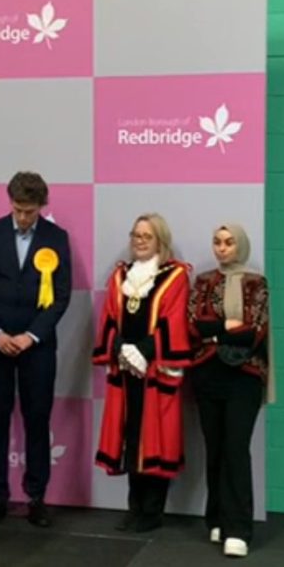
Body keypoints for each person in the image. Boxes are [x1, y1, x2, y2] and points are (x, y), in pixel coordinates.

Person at [0, 172, 72, 528]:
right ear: (9, 201)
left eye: (30, 211)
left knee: (37, 420)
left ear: (42, 207)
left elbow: (60, 297)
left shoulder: (56, 238)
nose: (24, 217)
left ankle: (36, 497)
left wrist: (32, 335)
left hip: (37, 347)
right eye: (18, 209)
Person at [92, 213, 191, 533]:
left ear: (160, 240)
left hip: (156, 373)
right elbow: (109, 317)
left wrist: (144, 351)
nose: (139, 241)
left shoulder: (175, 276)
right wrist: (122, 348)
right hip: (125, 372)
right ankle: (134, 508)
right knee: (130, 437)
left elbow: (173, 320)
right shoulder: (121, 275)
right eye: (135, 235)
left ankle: (152, 511)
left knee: (156, 439)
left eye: (146, 236)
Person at [188, 224, 273, 558]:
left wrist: (214, 332)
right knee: (215, 447)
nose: (222, 248)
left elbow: (253, 332)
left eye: (229, 242)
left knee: (236, 448)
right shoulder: (204, 281)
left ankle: (239, 528)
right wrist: (224, 328)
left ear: (241, 245)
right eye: (217, 242)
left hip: (245, 376)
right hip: (207, 374)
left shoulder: (257, 283)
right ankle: (218, 519)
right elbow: (194, 325)